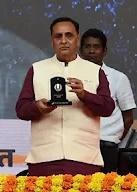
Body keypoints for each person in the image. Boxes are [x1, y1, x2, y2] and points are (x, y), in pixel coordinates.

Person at [15, 16, 115, 175]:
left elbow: (108, 108)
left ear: (78, 39)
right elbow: (21, 109)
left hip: (85, 158)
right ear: (52, 41)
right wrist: (37, 107)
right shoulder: (37, 69)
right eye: (58, 36)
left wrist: (84, 95)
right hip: (44, 158)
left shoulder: (95, 71)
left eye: (69, 35)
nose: (63, 41)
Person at [81, 28, 137, 173]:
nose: (92, 51)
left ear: (104, 51)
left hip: (106, 145)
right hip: (78, 144)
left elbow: (128, 117)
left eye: (96, 47)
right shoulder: (72, 77)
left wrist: (114, 140)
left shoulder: (119, 78)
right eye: (87, 47)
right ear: (81, 50)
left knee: (106, 184)